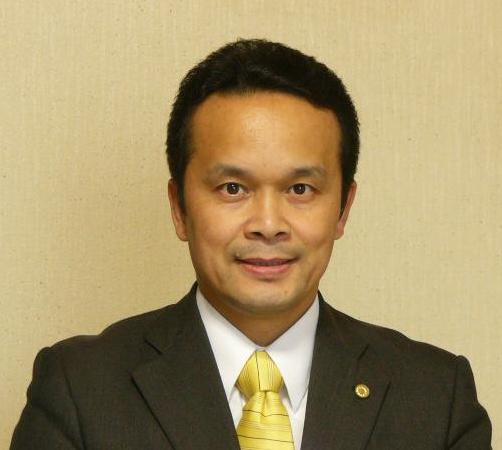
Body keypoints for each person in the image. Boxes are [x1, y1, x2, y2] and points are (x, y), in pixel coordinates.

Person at [11, 39, 491, 450]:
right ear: (179, 208)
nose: (268, 224)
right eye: (233, 189)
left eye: (300, 189)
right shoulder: (80, 390)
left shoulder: (435, 397)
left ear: (343, 209)